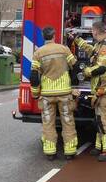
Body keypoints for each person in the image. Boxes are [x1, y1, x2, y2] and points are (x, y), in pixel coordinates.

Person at [29, 26, 79, 160]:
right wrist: (73, 85)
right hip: (64, 94)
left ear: (43, 36)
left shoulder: (38, 53)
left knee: (48, 123)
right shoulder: (64, 49)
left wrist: (35, 94)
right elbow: (75, 66)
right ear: (54, 36)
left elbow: (34, 76)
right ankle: (70, 151)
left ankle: (50, 152)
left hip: (46, 95)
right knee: (68, 121)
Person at [73, 20, 106, 161]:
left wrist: (86, 71)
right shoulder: (99, 45)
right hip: (99, 90)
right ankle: (100, 147)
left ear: (96, 31)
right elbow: (91, 51)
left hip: (105, 90)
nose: (91, 33)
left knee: (104, 121)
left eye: (92, 31)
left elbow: (101, 68)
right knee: (98, 120)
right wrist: (77, 40)